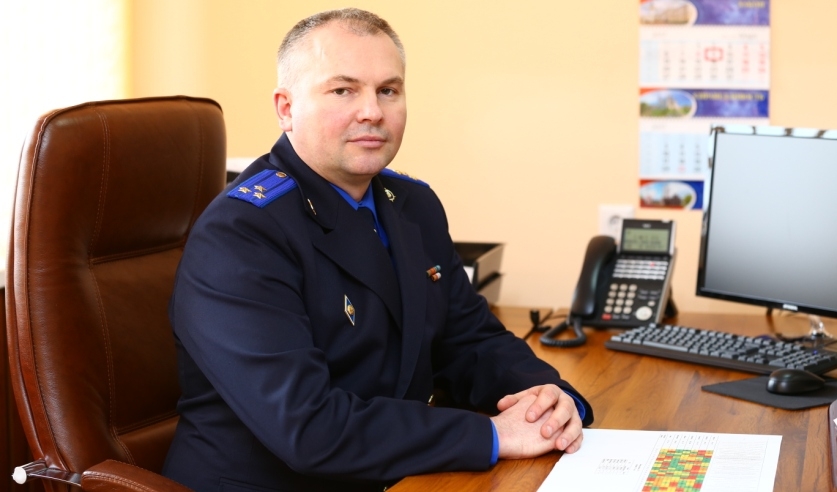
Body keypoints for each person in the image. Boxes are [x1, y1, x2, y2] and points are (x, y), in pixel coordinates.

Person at [162, 8, 593, 492]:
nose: (372, 111)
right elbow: (309, 428)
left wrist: (550, 400)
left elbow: (470, 340)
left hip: (395, 476)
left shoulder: (413, 205)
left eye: (388, 90)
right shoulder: (242, 233)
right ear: (286, 108)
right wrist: (492, 435)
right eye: (343, 90)